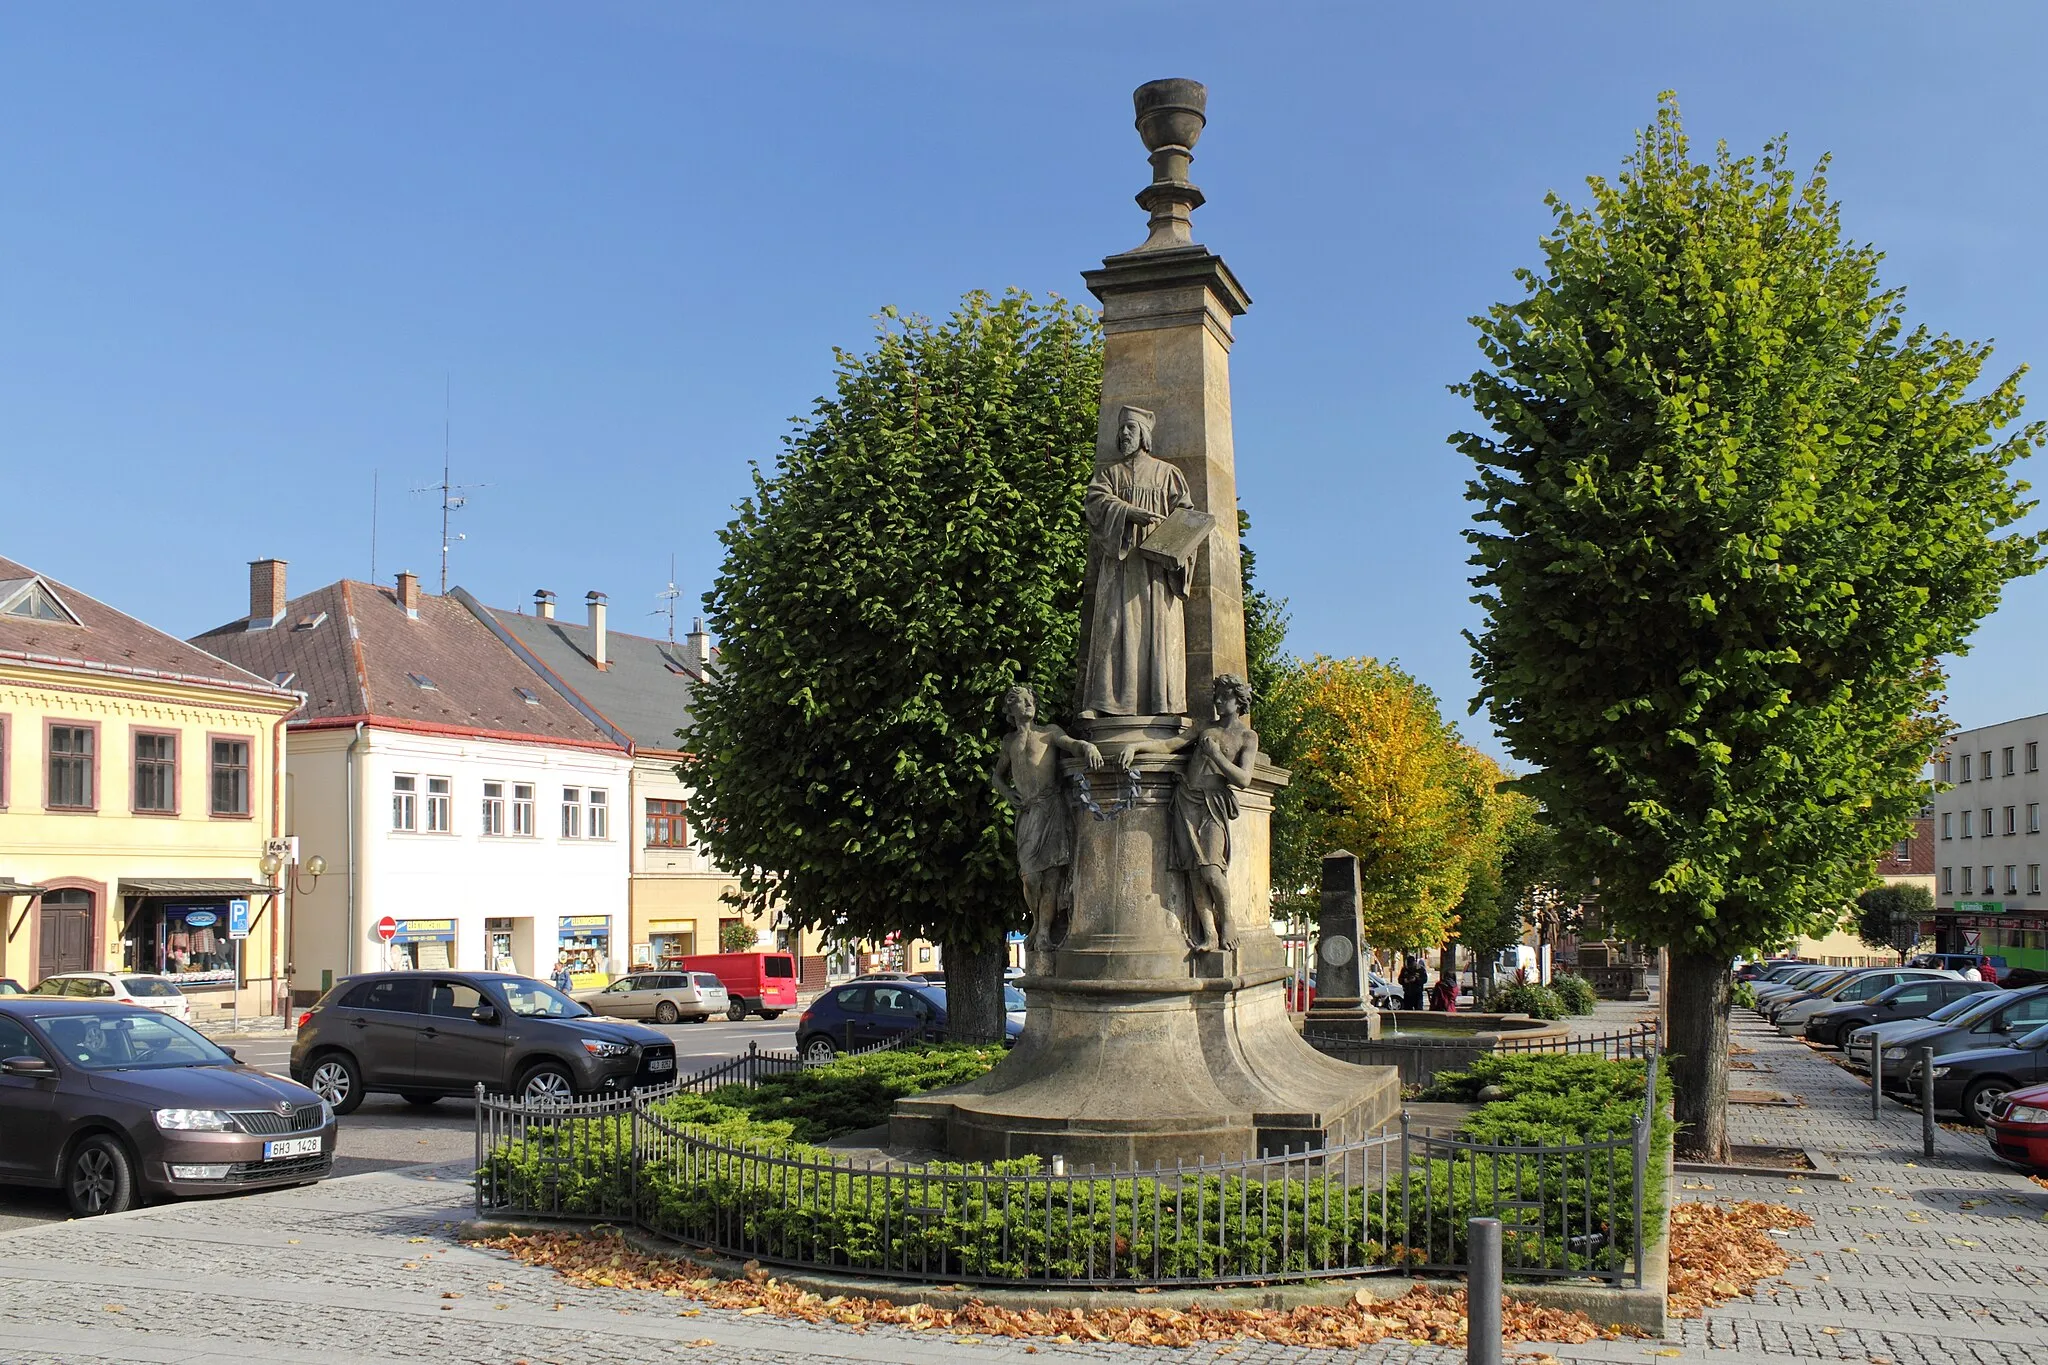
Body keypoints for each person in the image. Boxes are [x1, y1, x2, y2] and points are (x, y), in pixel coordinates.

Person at [1082, 405, 1197, 717]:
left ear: (1144, 434)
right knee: (1113, 627)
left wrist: (1175, 551)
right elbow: (1095, 503)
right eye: (1121, 429)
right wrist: (1129, 512)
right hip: (1120, 566)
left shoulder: (1168, 474)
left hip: (1156, 572)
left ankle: (1161, 704)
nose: (1123, 435)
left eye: (1130, 429)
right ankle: (1105, 703)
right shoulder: (1110, 475)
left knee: (1157, 633)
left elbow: (1188, 519)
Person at [989, 683, 1103, 952]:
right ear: (1010, 709)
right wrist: (1007, 792)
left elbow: (1071, 744)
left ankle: (1042, 932)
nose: (1028, 704)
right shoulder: (1009, 742)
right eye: (1022, 701)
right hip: (1029, 811)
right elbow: (997, 776)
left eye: (1031, 700)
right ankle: (1037, 920)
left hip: (1052, 809)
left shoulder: (1049, 733)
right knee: (1029, 877)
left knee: (1051, 876)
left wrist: (1087, 747)